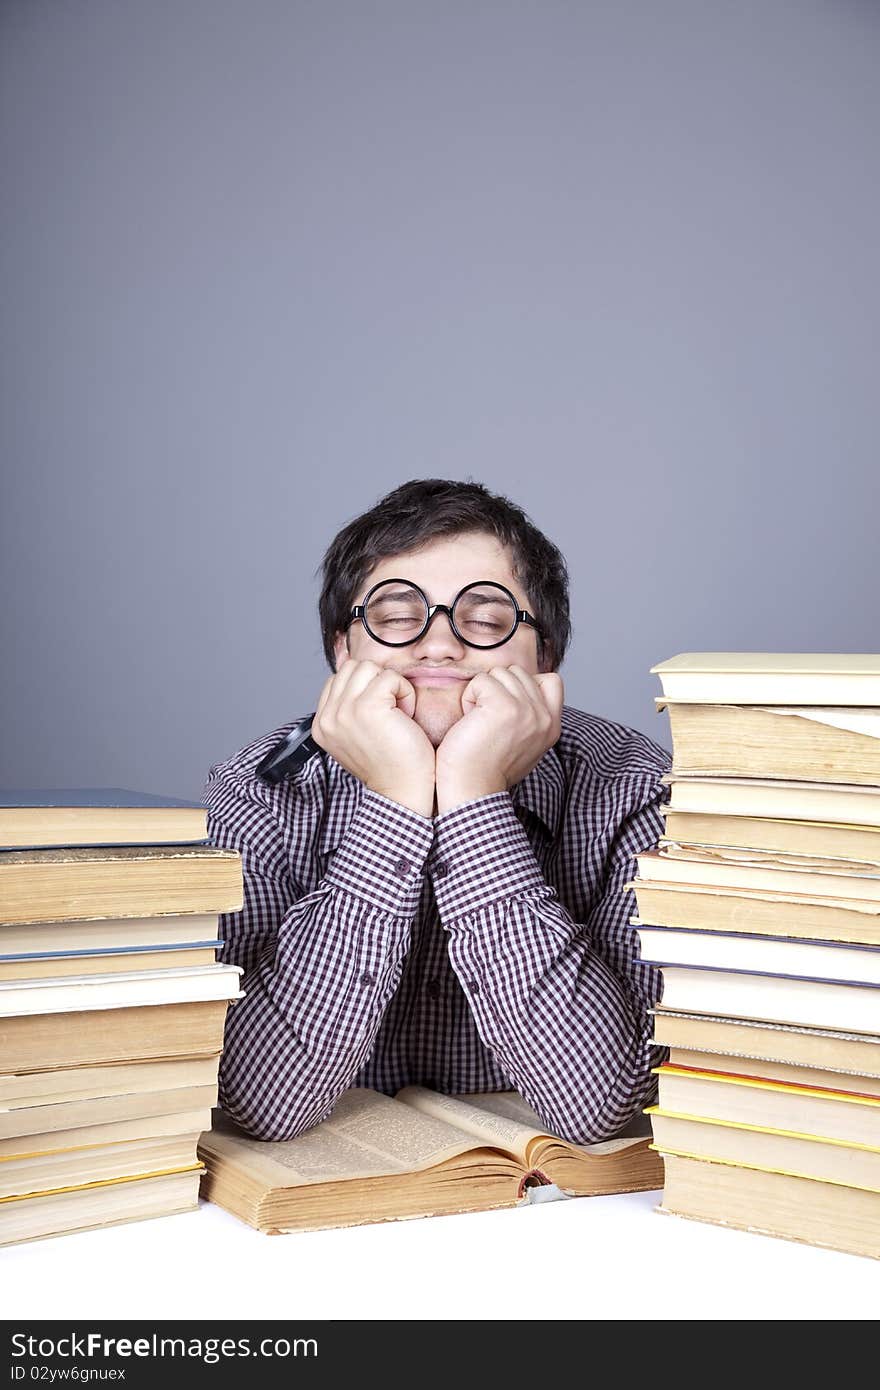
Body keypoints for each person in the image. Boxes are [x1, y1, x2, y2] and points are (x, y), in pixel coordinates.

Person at [203, 478, 671, 1144]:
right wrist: (394, 798)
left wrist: (473, 794)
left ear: (545, 659)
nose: (439, 645)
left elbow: (602, 1108)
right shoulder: (259, 790)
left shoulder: (635, 790)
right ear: (343, 650)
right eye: (397, 618)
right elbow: (256, 1102)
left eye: (484, 620)